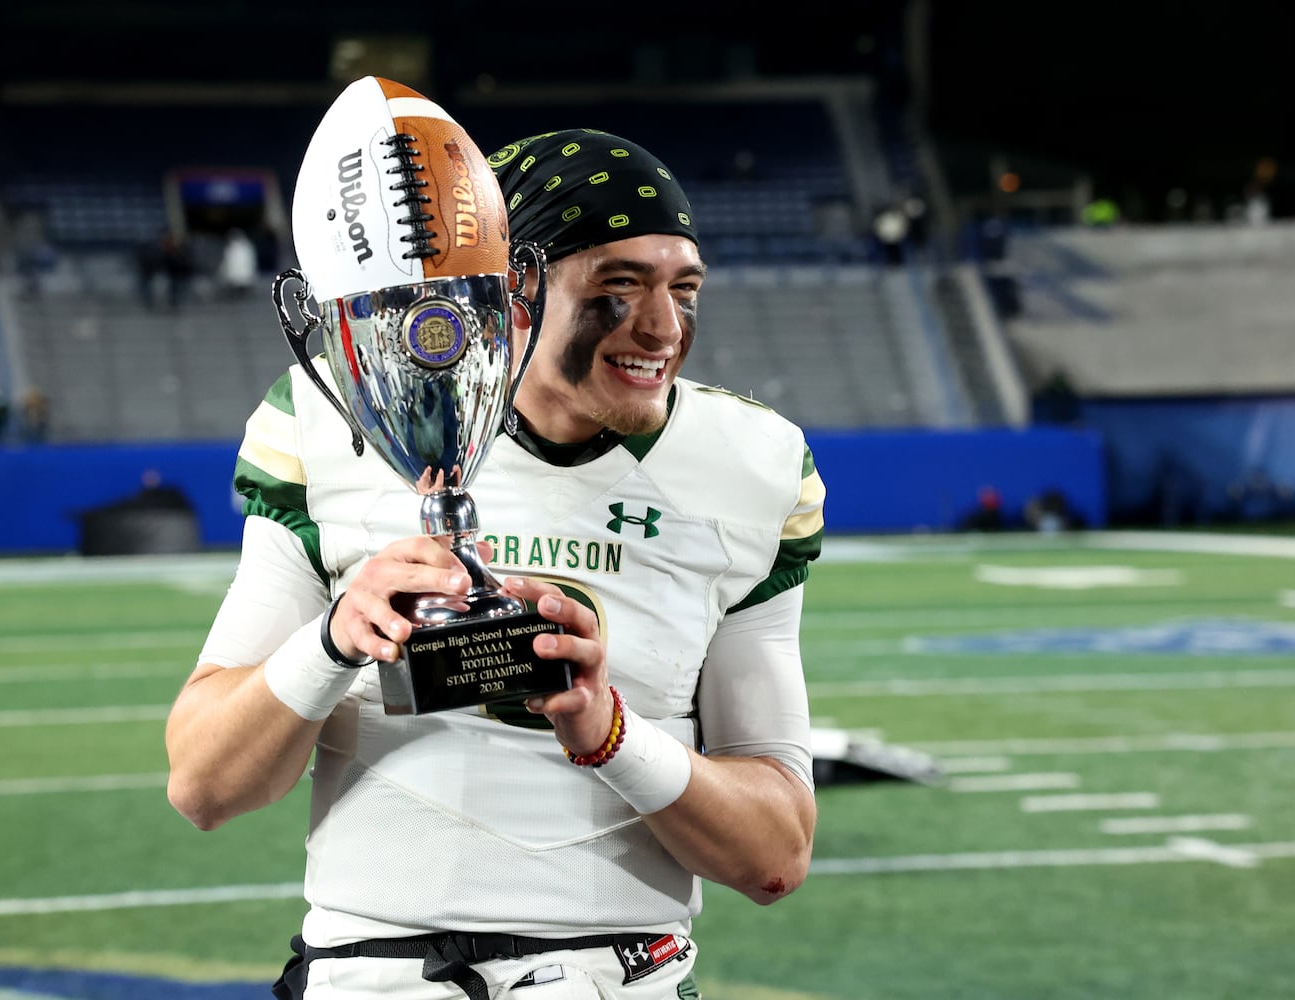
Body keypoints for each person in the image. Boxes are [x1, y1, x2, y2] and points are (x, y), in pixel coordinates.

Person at [164, 122, 826, 1000]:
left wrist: (611, 733)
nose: (663, 327)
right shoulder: (334, 423)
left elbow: (774, 855)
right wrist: (333, 641)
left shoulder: (750, 465)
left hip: (615, 976)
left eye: (684, 287)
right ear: (513, 291)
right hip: (368, 976)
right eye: (618, 286)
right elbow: (205, 786)